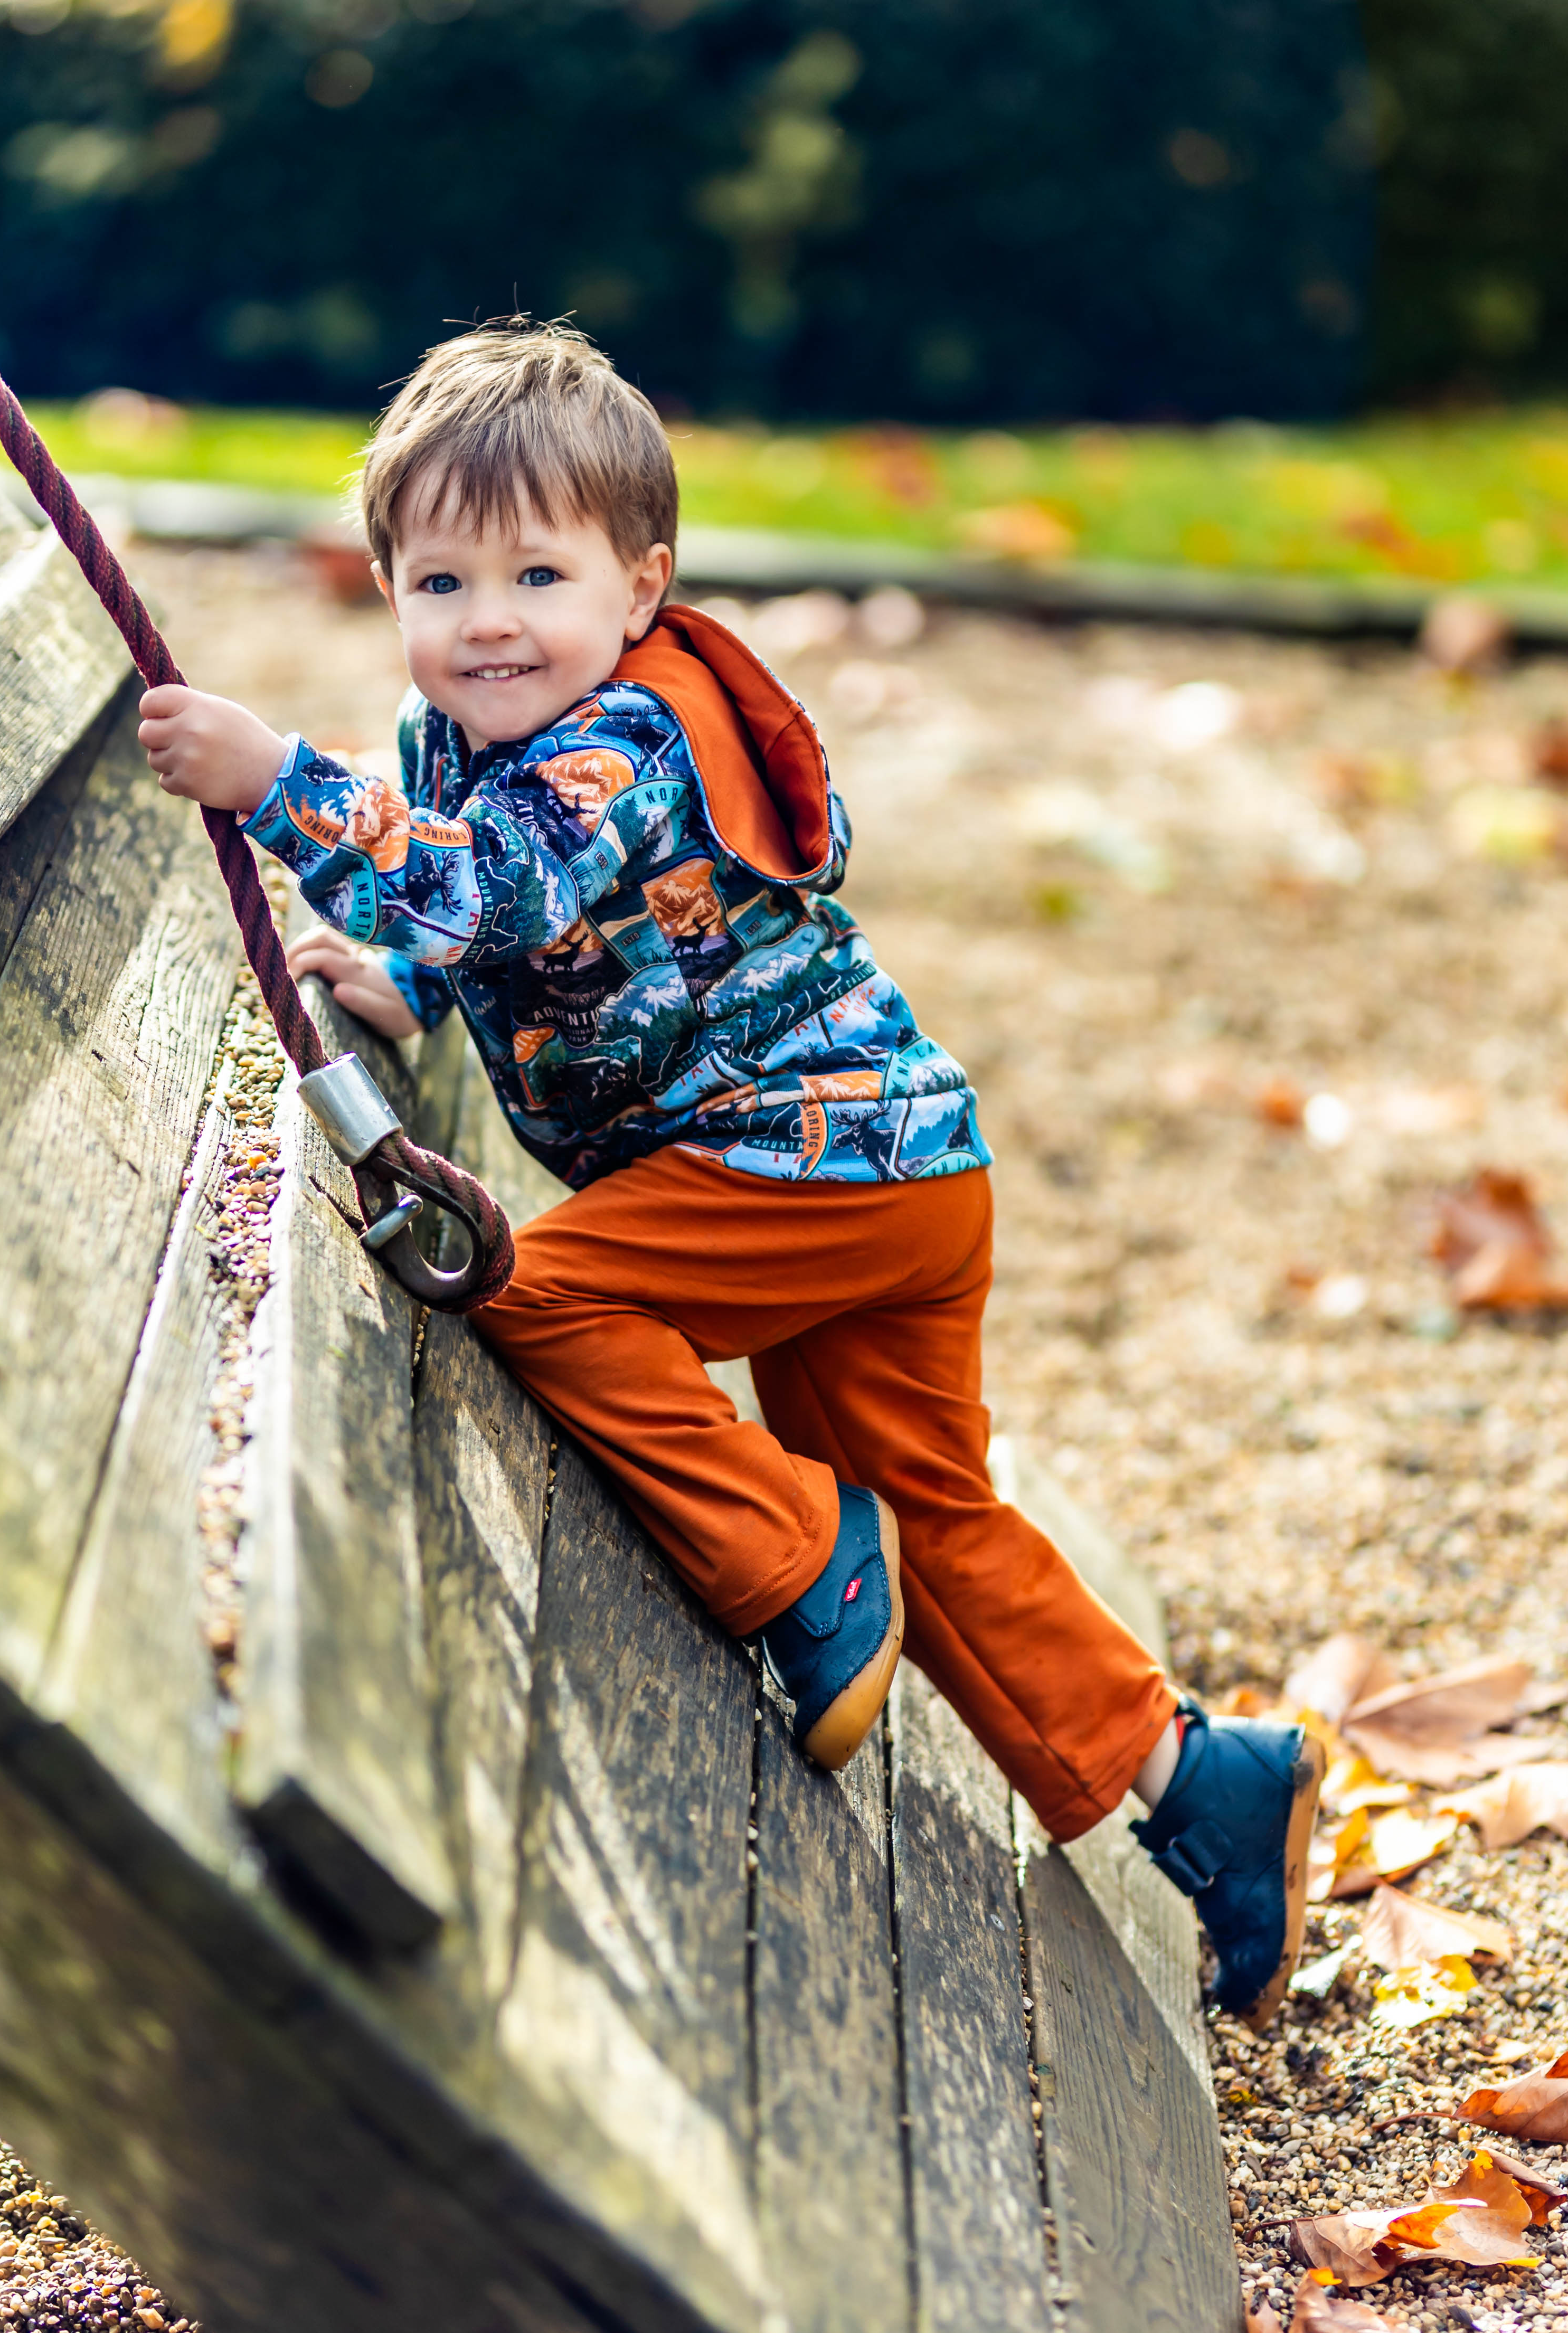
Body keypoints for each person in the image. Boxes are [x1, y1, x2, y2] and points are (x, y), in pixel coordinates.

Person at [137, 319, 1320, 2025]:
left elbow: (514, 880)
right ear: (390, 586)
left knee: (537, 1290)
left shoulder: (625, 737)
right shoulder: (453, 736)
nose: (486, 622)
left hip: (815, 1158)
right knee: (945, 1513)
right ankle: (1199, 1779)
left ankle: (795, 1553)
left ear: (642, 587)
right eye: (440, 579)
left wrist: (278, 788)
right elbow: (518, 936)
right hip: (889, 1168)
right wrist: (410, 980)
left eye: (538, 573)